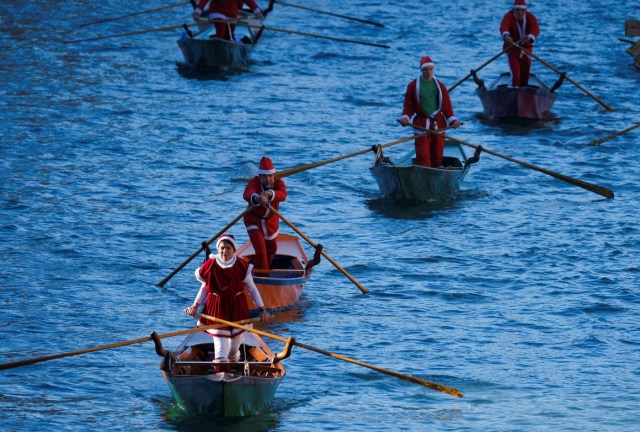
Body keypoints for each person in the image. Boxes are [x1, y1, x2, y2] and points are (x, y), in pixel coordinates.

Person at [184, 233, 272, 372]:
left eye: (228, 248)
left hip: (237, 309)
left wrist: (262, 309)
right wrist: (195, 306)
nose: (224, 251)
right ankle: (222, 372)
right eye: (222, 248)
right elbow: (205, 288)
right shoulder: (211, 265)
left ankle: (233, 359)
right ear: (218, 249)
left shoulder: (242, 266)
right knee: (221, 351)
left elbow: (252, 290)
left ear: (234, 249)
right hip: (216, 309)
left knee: (232, 351)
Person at [397, 56, 461, 168]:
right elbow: (409, 106)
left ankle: (436, 175)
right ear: (421, 70)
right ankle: (424, 175)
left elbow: (447, 107)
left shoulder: (440, 86)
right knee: (423, 157)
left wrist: (453, 121)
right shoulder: (413, 86)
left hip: (439, 126)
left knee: (437, 157)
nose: (429, 72)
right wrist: (405, 118)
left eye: (431, 69)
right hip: (421, 125)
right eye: (426, 69)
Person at [243, 156, 287, 270]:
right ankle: (261, 276)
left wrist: (269, 194)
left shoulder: (279, 183)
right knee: (261, 252)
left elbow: (283, 195)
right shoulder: (254, 182)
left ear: (274, 175)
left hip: (271, 221)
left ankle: (262, 270)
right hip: (253, 220)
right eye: (265, 176)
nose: (268, 179)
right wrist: (257, 198)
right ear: (260, 176)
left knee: (272, 250)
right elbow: (247, 194)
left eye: (270, 176)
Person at [500, 0, 540, 87]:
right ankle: (513, 91)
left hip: (527, 50)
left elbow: (535, 29)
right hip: (512, 49)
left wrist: (529, 37)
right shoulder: (509, 16)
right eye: (517, 10)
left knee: (525, 78)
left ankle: (523, 96)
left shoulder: (531, 17)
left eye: (522, 10)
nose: (520, 13)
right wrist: (506, 35)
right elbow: (504, 27)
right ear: (514, 10)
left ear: (526, 10)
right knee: (516, 76)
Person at [192, 0, 264, 41]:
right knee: (221, 30)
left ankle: (225, 50)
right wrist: (197, 12)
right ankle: (216, 47)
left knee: (228, 36)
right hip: (217, 11)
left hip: (231, 14)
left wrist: (256, 11)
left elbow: (248, 1)